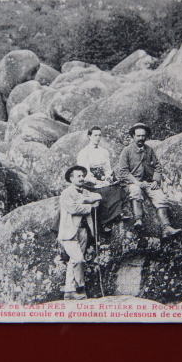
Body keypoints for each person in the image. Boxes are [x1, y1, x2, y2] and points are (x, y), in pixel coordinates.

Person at [117, 122, 182, 238]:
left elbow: (157, 166)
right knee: (136, 191)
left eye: (143, 136)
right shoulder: (126, 151)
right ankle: (138, 219)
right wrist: (135, 182)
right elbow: (123, 171)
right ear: (133, 136)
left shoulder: (149, 150)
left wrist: (155, 181)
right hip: (132, 182)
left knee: (160, 197)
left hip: (147, 182)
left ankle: (166, 227)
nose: (141, 138)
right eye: (138, 136)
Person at [58, 165, 102, 300]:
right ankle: (80, 286)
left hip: (82, 231)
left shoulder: (85, 191)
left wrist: (86, 199)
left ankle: (69, 291)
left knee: (73, 261)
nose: (82, 178)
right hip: (69, 231)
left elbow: (98, 196)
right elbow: (73, 208)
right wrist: (88, 205)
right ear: (71, 179)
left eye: (83, 176)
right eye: (79, 176)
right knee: (79, 260)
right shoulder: (66, 193)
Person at [76, 126, 125, 229]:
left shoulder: (104, 151)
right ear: (89, 136)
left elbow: (107, 168)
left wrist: (107, 177)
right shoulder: (84, 152)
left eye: (99, 135)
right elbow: (85, 172)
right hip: (90, 179)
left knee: (117, 187)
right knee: (102, 192)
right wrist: (96, 181)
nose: (97, 138)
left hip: (103, 177)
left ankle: (117, 214)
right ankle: (105, 221)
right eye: (95, 135)